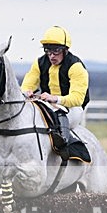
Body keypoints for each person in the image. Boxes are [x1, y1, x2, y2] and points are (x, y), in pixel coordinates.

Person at [21, 26, 90, 161]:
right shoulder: (40, 62)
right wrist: (26, 92)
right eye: (48, 51)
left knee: (58, 115)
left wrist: (55, 99)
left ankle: (65, 147)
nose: (51, 56)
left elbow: (78, 98)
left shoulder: (75, 66)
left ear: (65, 50)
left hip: (72, 108)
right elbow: (27, 84)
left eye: (56, 51)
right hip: (47, 104)